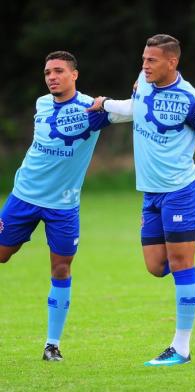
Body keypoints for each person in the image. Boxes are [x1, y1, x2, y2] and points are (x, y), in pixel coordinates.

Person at [88, 34, 195, 366]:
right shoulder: (143, 83)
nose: (144, 65)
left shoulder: (193, 101)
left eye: (151, 60)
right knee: (156, 267)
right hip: (151, 192)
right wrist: (104, 104)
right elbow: (134, 109)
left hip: (181, 189)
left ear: (172, 62)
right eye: (143, 59)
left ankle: (181, 348)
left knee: (180, 263)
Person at [0, 51, 132, 361]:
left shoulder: (92, 109)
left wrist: (119, 100)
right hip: (23, 197)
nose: (51, 77)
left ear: (74, 75)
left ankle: (52, 345)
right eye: (47, 72)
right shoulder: (41, 103)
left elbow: (130, 112)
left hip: (63, 206)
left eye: (59, 71)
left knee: (61, 268)